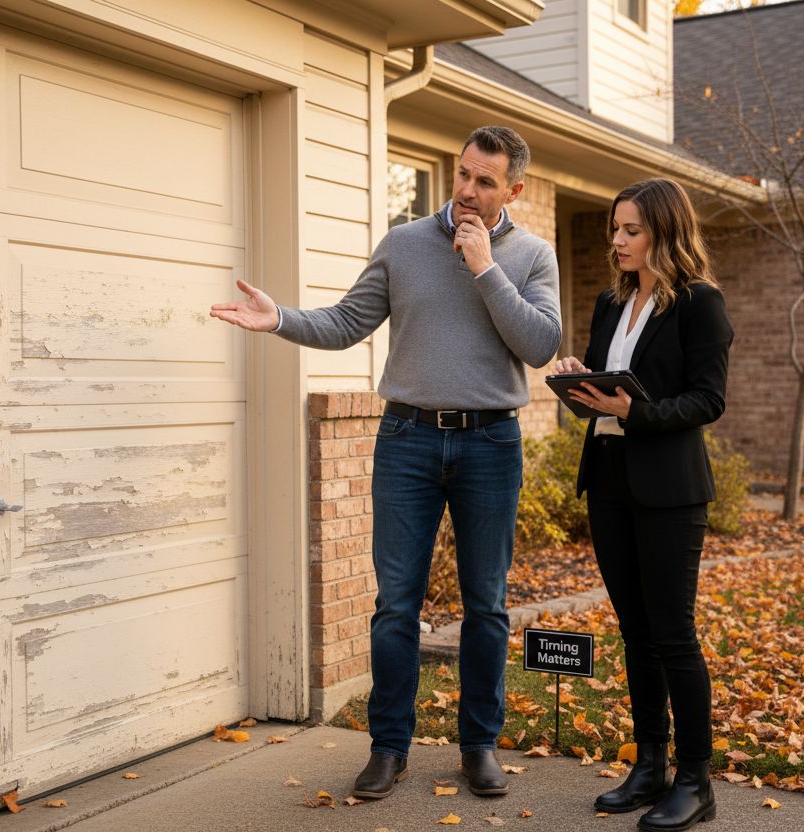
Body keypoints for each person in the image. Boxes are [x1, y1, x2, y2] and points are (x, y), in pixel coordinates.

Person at [210, 127, 561, 799]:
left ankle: (479, 745)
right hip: (408, 440)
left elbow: (540, 345)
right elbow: (347, 323)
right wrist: (278, 317)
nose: (466, 190)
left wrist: (485, 268)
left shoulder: (532, 256)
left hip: (491, 444)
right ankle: (388, 747)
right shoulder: (405, 244)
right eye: (463, 174)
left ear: (512, 190)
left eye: (485, 182)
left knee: (486, 607)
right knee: (395, 605)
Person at [551, 178, 731, 831]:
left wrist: (639, 410)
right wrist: (582, 386)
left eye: (630, 230)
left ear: (663, 232)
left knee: (673, 635)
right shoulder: (610, 304)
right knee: (635, 634)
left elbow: (708, 399)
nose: (618, 241)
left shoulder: (698, 304)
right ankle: (649, 765)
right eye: (615, 230)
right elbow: (610, 392)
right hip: (609, 481)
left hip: (670, 491)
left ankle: (695, 780)